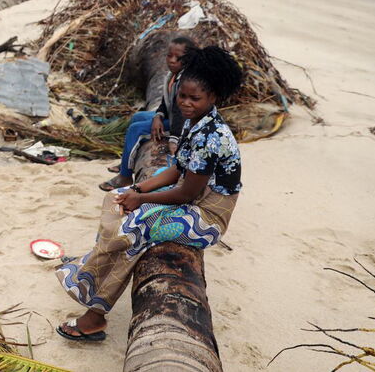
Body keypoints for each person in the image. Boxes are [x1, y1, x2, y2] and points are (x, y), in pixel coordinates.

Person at [54, 45, 243, 341]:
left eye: (195, 98)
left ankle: (94, 317)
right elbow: (174, 171)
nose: (186, 103)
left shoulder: (211, 137)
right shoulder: (196, 124)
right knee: (115, 199)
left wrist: (141, 200)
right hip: (194, 198)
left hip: (208, 216)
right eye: (182, 96)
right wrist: (136, 188)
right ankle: (94, 266)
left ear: (213, 97)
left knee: (138, 225)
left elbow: (185, 194)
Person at [100, 36, 197, 191]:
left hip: (181, 127)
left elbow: (181, 114)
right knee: (138, 117)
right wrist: (158, 116)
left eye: (178, 58)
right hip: (171, 118)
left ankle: (125, 176)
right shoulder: (173, 76)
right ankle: (127, 161)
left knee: (136, 129)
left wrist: (174, 139)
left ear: (189, 59)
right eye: (169, 56)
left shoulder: (186, 81)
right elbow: (166, 103)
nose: (172, 60)